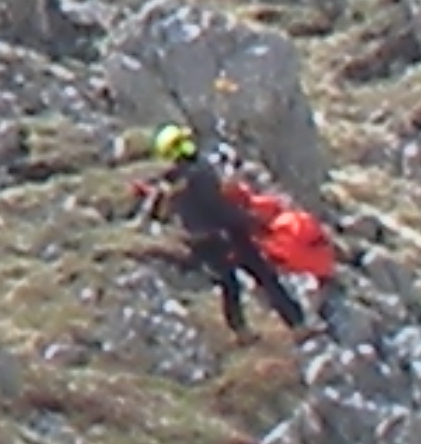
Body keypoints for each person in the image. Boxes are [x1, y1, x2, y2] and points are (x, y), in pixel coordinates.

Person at [136, 122, 336, 336]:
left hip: (203, 242)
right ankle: (297, 324)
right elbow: (219, 208)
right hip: (228, 235)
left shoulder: (172, 182)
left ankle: (240, 331)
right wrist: (251, 221)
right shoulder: (200, 173)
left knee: (230, 285)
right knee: (265, 277)